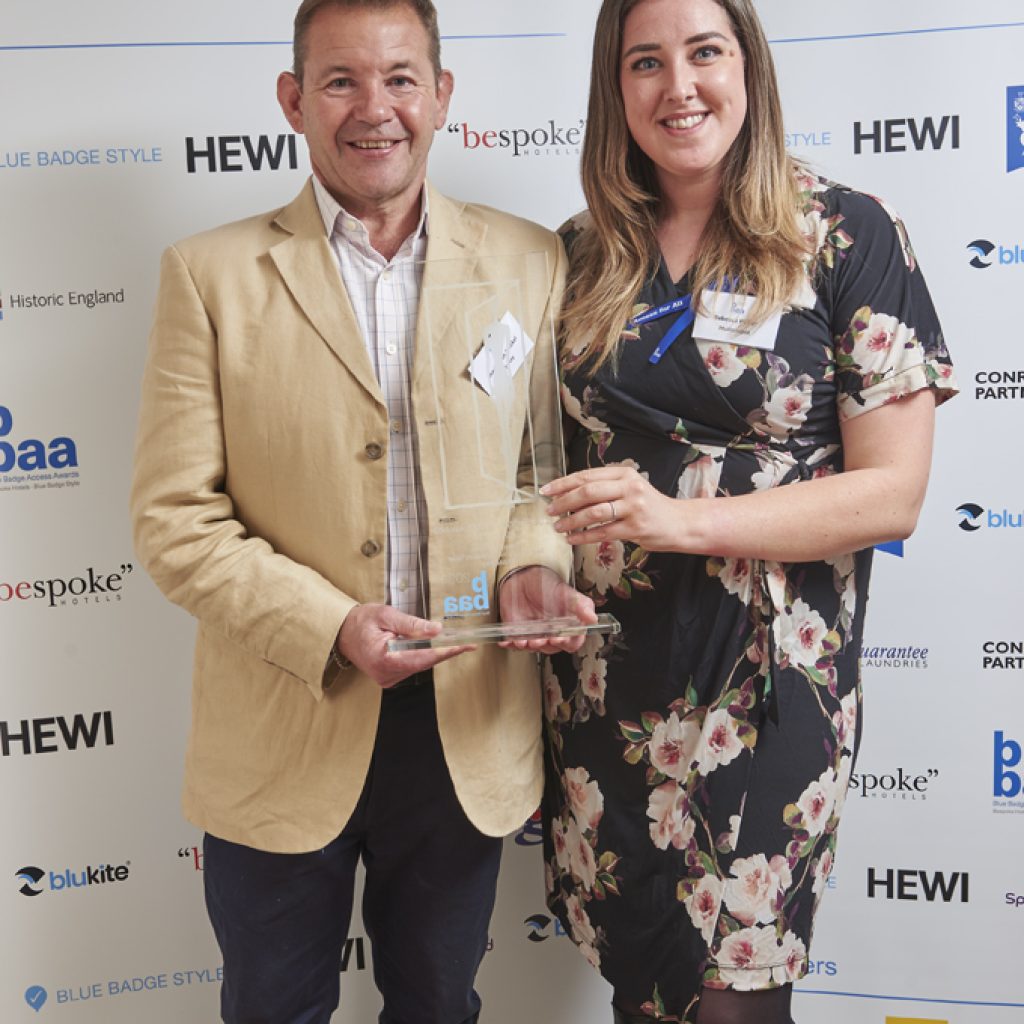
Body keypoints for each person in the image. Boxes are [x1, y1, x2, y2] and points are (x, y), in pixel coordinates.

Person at [130, 1, 591, 1021]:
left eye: (398, 77)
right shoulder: (208, 276)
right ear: (293, 99)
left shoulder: (531, 261)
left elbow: (539, 474)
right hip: (284, 720)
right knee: (273, 1008)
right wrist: (330, 626)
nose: (372, 107)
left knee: (437, 1003)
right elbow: (174, 517)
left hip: (465, 722)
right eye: (339, 80)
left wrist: (532, 565)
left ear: (442, 97)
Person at [539, 1, 957, 1022]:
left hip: (767, 677)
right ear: (615, 88)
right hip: (606, 675)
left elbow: (892, 492)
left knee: (733, 993)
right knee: (642, 982)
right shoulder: (579, 253)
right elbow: (533, 456)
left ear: (747, 67)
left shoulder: (844, 231)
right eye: (645, 62)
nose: (677, 86)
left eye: (703, 52)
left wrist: (681, 520)